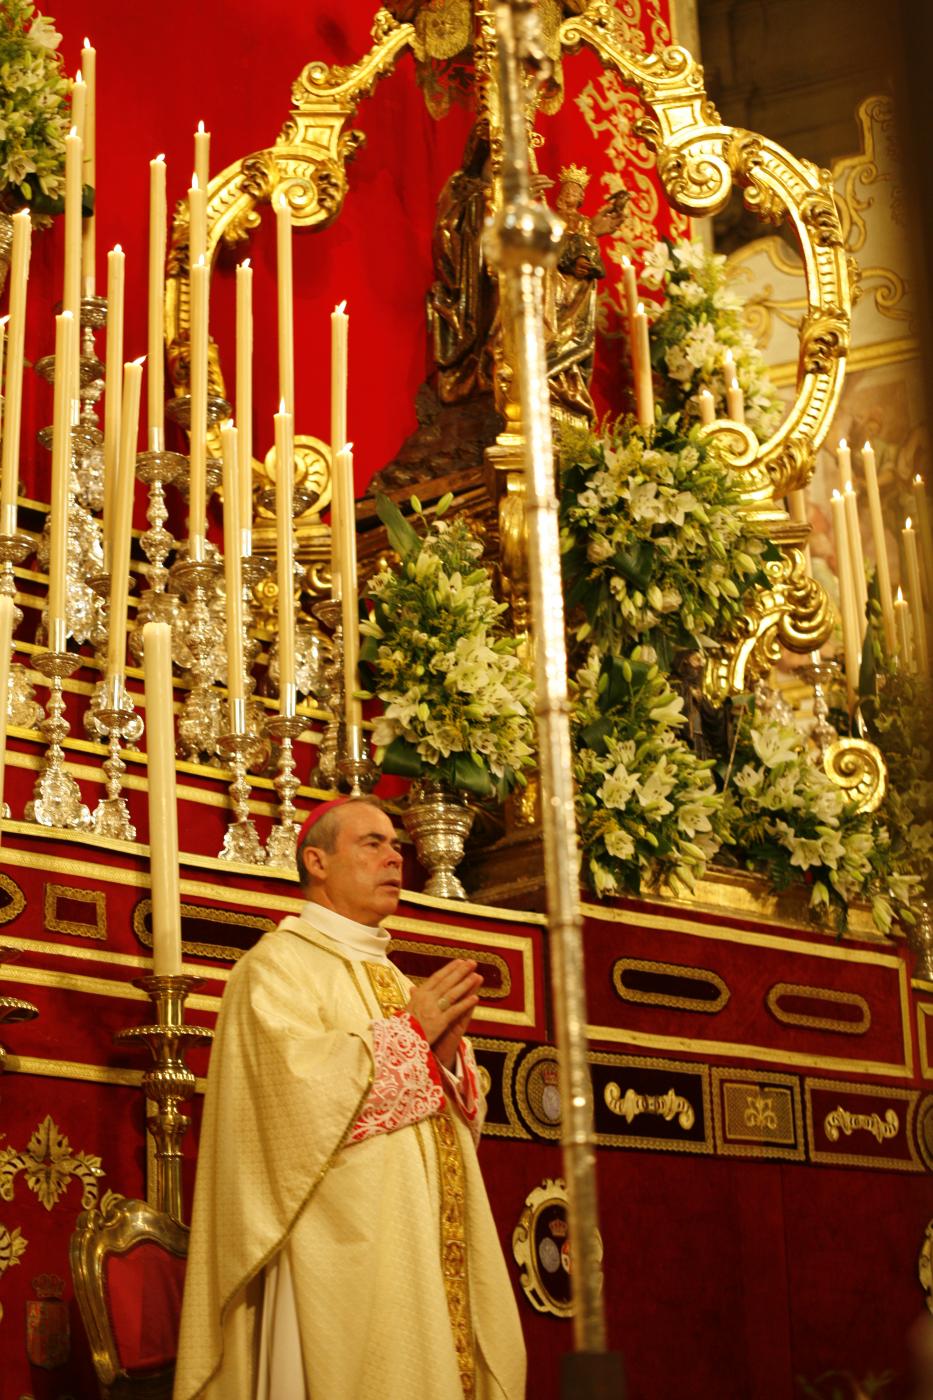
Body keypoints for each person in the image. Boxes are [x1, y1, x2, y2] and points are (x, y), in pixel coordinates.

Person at [173, 795, 526, 1400]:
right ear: (316, 860)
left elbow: (438, 1108)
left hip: (417, 1243)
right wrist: (412, 1036)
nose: (396, 858)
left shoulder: (393, 975)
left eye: (396, 845)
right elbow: (293, 1103)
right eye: (373, 844)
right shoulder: (275, 969)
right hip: (336, 1251)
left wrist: (443, 1060)